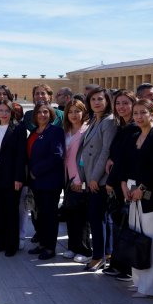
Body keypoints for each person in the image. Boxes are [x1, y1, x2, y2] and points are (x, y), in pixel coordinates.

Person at [124, 100, 153, 298]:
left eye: (143, 112)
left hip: (151, 197)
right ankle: (139, 282)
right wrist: (125, 186)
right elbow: (126, 163)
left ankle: (151, 287)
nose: (138, 116)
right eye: (135, 113)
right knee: (137, 239)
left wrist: (142, 188)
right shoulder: (135, 136)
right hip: (133, 195)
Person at [76, 87, 116, 271]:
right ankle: (106, 253)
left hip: (99, 179)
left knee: (96, 218)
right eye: (93, 99)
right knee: (101, 218)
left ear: (107, 101)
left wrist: (94, 178)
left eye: (100, 99)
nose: (97, 102)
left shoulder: (109, 121)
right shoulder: (95, 119)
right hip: (92, 176)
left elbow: (106, 151)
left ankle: (98, 256)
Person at [102, 89, 138, 281]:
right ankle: (117, 264)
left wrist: (112, 181)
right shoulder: (121, 126)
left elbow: (125, 160)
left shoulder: (134, 128)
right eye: (118, 103)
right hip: (118, 181)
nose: (121, 107)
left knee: (125, 225)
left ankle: (126, 267)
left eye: (126, 103)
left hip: (124, 184)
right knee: (118, 223)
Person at [0, 101, 26, 256]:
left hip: (11, 175)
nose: (4, 113)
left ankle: (11, 245)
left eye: (7, 111)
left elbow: (21, 155)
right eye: (1, 110)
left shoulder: (18, 129)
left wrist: (18, 178)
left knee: (11, 211)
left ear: (11, 112)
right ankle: (0, 242)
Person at [26, 103, 65, 260]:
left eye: (46, 112)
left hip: (49, 181)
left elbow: (57, 155)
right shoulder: (34, 132)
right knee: (40, 215)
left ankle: (50, 248)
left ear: (51, 115)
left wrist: (36, 171)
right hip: (36, 183)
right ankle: (42, 243)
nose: (42, 115)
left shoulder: (55, 131)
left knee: (50, 215)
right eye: (39, 112)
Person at [62, 100, 91, 262]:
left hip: (80, 178)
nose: (74, 115)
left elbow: (86, 158)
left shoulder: (86, 130)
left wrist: (80, 180)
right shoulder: (66, 131)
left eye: (77, 111)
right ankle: (72, 247)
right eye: (71, 111)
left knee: (81, 216)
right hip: (67, 178)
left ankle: (84, 250)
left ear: (83, 112)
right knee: (70, 213)